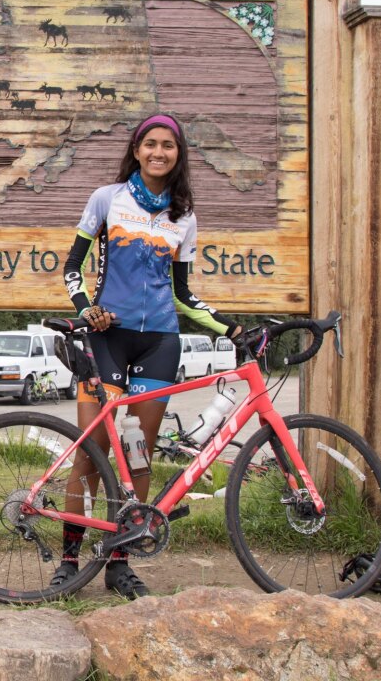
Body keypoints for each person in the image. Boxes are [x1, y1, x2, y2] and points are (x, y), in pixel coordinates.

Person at [52, 112, 240, 599]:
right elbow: (72, 266)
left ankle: (118, 561)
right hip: (108, 337)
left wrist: (230, 326)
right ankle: (70, 559)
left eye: (169, 146)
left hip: (160, 340)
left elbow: (182, 294)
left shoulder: (184, 216)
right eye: (150, 144)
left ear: (179, 155)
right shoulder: (106, 200)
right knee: (91, 458)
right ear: (136, 150)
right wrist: (86, 309)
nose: (159, 152)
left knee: (136, 457)